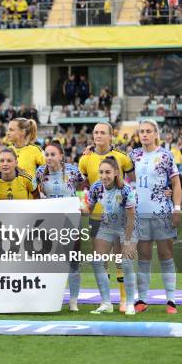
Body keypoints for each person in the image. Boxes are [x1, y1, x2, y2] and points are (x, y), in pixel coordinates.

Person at [79, 122, 135, 311]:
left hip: (121, 219)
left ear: (111, 135)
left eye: (103, 132)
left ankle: (124, 299)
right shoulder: (85, 159)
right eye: (95, 132)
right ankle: (106, 302)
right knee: (100, 260)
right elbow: (84, 184)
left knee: (121, 259)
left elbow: (133, 180)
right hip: (97, 218)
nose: (98, 135)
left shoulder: (122, 158)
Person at [129, 119, 182, 314]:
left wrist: (177, 208)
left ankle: (171, 301)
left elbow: (176, 184)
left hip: (162, 212)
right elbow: (115, 166)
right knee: (143, 257)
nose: (144, 134)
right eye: (141, 131)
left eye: (148, 131)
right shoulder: (133, 155)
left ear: (155, 134)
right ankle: (142, 299)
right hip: (140, 213)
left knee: (166, 255)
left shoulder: (166, 156)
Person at [36, 141, 85, 311]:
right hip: (50, 222)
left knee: (73, 262)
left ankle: (73, 301)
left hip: (71, 221)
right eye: (47, 154)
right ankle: (49, 299)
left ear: (61, 156)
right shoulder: (40, 172)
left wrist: (81, 204)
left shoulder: (73, 171)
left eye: (52, 154)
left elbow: (83, 185)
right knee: (49, 262)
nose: (49, 158)